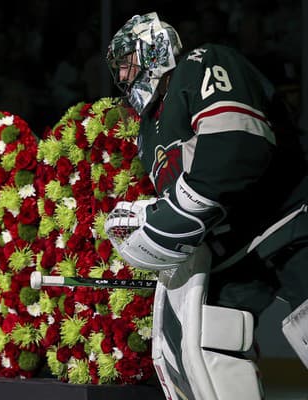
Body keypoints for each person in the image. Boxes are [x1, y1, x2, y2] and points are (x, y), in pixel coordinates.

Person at [103, 12, 308, 399]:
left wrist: (173, 215)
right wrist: (151, 217)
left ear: (155, 47)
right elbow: (178, 194)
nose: (125, 75)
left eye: (129, 61)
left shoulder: (202, 63)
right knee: (207, 342)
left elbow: (237, 145)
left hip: (288, 218)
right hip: (233, 249)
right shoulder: (148, 131)